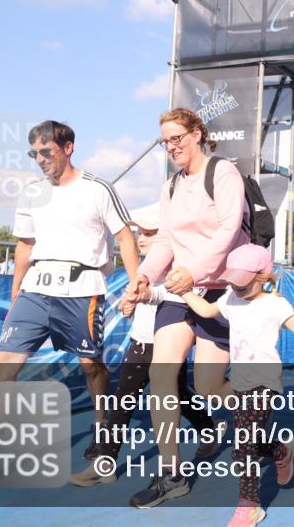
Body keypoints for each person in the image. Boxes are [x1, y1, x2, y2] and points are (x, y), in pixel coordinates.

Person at [0, 120, 141, 489]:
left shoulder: (98, 188)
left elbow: (125, 237)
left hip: (82, 288)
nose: (40, 159)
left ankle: (104, 441)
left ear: (68, 147)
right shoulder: (32, 192)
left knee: (92, 368)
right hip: (35, 291)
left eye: (46, 151)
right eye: (34, 153)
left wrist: (135, 285)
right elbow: (25, 244)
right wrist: (15, 294)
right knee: (2, 367)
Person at [125, 107, 248, 508]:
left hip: (218, 290)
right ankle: (171, 474)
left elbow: (229, 230)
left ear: (197, 133)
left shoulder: (223, 173)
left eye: (177, 137)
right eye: (165, 141)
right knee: (162, 379)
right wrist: (143, 277)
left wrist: (193, 271)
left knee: (209, 386)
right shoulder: (171, 186)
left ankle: (259, 429)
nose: (172, 146)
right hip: (179, 290)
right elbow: (164, 240)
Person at [69, 204, 225, 487]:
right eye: (140, 232)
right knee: (174, 394)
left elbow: (174, 295)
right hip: (144, 339)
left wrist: (144, 296)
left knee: (125, 400)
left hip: (164, 340)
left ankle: (105, 462)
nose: (141, 238)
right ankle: (209, 430)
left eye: (150, 233)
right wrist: (132, 304)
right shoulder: (147, 267)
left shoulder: (181, 266)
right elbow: (145, 295)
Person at [181, 243, 294, 527]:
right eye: (234, 280)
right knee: (250, 443)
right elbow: (205, 310)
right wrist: (184, 292)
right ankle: (281, 451)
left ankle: (249, 505)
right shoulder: (230, 298)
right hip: (240, 383)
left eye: (244, 282)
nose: (238, 287)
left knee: (242, 449)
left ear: (264, 277)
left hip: (264, 383)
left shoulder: (275, 304)